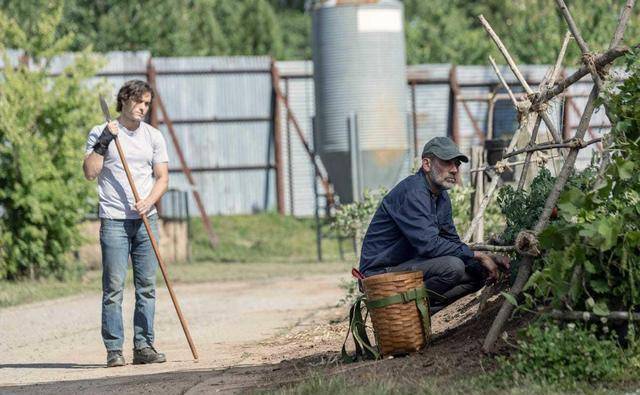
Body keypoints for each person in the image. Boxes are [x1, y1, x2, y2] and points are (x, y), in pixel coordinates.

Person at [359, 136, 509, 314]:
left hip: (409, 266)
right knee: (452, 267)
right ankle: (406, 311)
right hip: (379, 274)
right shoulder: (413, 192)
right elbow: (429, 246)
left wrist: (484, 258)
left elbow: (451, 241)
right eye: (447, 163)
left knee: (478, 272)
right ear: (427, 164)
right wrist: (477, 254)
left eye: (457, 164)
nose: (454, 170)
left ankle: (419, 314)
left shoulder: (441, 196)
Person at [83, 80, 169, 367]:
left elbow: (163, 178)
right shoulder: (101, 132)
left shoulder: (154, 136)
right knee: (114, 287)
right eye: (138, 102)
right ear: (124, 101)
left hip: (146, 220)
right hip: (114, 220)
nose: (143, 108)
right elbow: (90, 172)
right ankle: (114, 350)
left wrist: (149, 201)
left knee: (146, 286)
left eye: (147, 103)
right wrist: (104, 142)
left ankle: (144, 346)